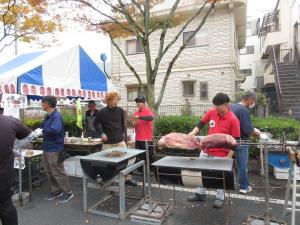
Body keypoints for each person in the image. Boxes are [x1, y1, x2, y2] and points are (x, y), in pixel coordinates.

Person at [188, 93, 240, 208]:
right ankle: (199, 193)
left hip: (222, 154)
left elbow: (235, 141)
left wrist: (229, 157)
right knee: (201, 172)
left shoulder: (233, 119)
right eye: (214, 105)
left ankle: (219, 197)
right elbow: (201, 123)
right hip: (206, 151)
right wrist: (192, 133)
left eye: (218, 106)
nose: (216, 108)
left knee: (219, 176)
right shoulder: (212, 112)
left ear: (226, 104)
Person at [93, 91, 137, 186]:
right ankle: (106, 179)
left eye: (117, 99)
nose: (116, 101)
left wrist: (125, 138)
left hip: (120, 141)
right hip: (108, 142)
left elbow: (123, 125)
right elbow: (95, 123)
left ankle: (127, 178)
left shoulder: (121, 111)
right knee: (104, 162)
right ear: (108, 101)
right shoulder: (102, 112)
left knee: (125, 160)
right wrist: (101, 133)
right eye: (114, 100)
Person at [0, 108, 32, 225]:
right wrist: (10, 148)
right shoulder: (11, 122)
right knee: (6, 207)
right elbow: (28, 134)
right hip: (3, 178)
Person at [41, 96, 73, 203]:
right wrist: (39, 131)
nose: (41, 104)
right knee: (48, 171)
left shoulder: (56, 116)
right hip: (46, 147)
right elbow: (44, 128)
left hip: (54, 148)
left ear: (48, 104)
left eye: (42, 103)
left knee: (58, 172)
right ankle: (56, 191)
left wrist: (42, 131)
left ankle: (68, 192)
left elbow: (55, 130)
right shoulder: (48, 116)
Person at [231, 92, 261, 194]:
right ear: (249, 100)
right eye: (253, 102)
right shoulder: (243, 110)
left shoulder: (233, 107)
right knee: (242, 165)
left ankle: (232, 184)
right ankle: (244, 187)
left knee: (232, 165)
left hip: (230, 141)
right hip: (241, 142)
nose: (253, 104)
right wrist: (258, 133)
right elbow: (247, 129)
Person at [132, 96, 154, 163]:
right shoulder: (136, 113)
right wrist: (134, 122)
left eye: (140, 102)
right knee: (139, 156)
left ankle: (150, 171)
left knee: (148, 157)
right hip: (138, 139)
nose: (138, 103)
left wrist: (139, 117)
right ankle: (139, 170)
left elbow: (150, 118)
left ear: (144, 103)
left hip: (147, 139)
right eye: (137, 102)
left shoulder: (148, 111)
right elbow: (134, 124)